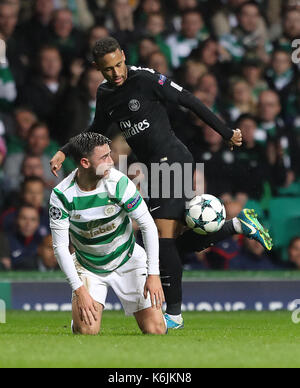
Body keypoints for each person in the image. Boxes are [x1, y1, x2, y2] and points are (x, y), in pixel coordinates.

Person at [50, 37, 273, 329]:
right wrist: (65, 150)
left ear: (124, 57)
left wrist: (226, 131)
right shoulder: (105, 95)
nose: (116, 73)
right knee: (174, 244)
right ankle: (238, 225)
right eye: (108, 70)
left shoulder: (146, 79)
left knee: (160, 235)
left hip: (172, 160)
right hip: (150, 168)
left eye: (119, 65)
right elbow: (96, 131)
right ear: (98, 69)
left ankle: (176, 315)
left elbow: (189, 100)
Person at [50, 132, 166, 335]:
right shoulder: (61, 195)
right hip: (88, 266)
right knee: (86, 331)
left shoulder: (119, 183)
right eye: (104, 158)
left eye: (110, 155)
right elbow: (60, 247)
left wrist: (153, 274)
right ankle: (78, 320)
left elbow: (147, 225)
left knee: (155, 330)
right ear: (85, 163)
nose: (111, 162)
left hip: (128, 259)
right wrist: (80, 290)